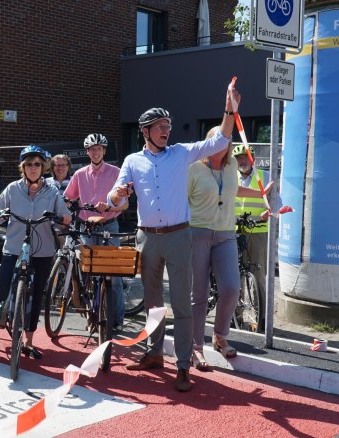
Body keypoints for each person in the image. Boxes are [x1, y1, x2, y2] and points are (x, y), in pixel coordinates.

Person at [108, 79, 241, 392]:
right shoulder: (131, 161)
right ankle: (154, 354)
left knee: (181, 304)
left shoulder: (181, 153)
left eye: (168, 125)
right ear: (145, 131)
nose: (166, 130)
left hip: (180, 237)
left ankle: (183, 365)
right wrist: (117, 196)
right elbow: (116, 196)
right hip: (147, 238)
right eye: (159, 126)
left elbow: (220, 141)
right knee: (152, 303)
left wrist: (228, 109)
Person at [0, 145, 71, 359]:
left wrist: (65, 218)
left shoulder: (52, 191)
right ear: (23, 167)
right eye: (28, 164)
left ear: (43, 167)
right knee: (1, 287)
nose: (33, 168)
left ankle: (29, 341)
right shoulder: (12, 188)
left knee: (37, 295)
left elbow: (63, 214)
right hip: (14, 246)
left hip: (43, 250)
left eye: (37, 164)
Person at [189, 128, 268, 371]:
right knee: (199, 295)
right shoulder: (193, 168)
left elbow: (234, 189)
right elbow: (180, 200)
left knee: (232, 289)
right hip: (197, 233)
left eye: (227, 141)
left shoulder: (231, 164)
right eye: (219, 140)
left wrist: (262, 193)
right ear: (208, 143)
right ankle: (196, 347)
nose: (223, 145)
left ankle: (220, 336)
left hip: (225, 234)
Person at [63, 133, 126, 332]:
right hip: (86, 227)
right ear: (88, 152)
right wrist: (64, 209)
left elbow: (124, 203)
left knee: (113, 275)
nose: (96, 152)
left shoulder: (116, 172)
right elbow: (67, 198)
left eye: (99, 149)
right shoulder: (80, 174)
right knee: (88, 271)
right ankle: (92, 310)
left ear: (104, 151)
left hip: (109, 225)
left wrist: (109, 207)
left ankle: (116, 320)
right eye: (92, 149)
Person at [233, 144, 271, 332]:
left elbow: (275, 201)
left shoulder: (264, 177)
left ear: (252, 158)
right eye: (238, 158)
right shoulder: (231, 177)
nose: (242, 161)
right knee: (235, 275)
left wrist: (269, 211)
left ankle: (262, 319)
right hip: (235, 230)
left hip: (258, 231)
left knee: (258, 274)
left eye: (245, 157)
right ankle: (236, 317)